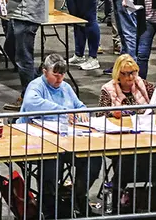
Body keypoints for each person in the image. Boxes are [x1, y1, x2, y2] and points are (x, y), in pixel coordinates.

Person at [19, 54, 101, 217]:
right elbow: (30, 103)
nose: (59, 79)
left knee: (94, 159)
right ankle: (49, 205)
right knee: (52, 161)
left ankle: (77, 195)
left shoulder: (66, 87)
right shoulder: (35, 86)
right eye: (55, 75)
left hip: (68, 142)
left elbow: (79, 105)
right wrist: (63, 111)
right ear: (44, 72)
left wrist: (83, 112)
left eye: (62, 75)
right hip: (41, 144)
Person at [98, 54, 156, 212]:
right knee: (127, 160)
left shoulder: (142, 84)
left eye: (132, 72)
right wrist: (112, 114)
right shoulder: (108, 89)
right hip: (120, 140)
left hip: (144, 137)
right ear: (117, 74)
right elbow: (99, 116)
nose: (129, 77)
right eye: (125, 73)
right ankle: (118, 193)